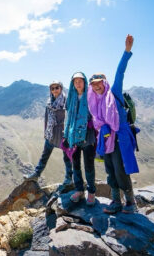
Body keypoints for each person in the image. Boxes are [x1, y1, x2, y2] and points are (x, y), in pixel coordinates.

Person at [88, 34, 139, 214]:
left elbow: (120, 72)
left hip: (119, 138)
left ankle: (131, 202)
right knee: (110, 170)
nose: (96, 87)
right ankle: (116, 201)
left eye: (99, 83)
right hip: (106, 139)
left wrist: (126, 51)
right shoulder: (94, 100)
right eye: (93, 84)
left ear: (104, 83)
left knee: (121, 169)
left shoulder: (114, 91)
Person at [25, 81, 73, 185]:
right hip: (51, 135)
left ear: (61, 88)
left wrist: (69, 133)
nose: (55, 90)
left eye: (57, 88)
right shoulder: (49, 102)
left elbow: (70, 117)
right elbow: (47, 119)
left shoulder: (67, 102)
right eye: (52, 88)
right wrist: (46, 133)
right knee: (44, 156)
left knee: (67, 158)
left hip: (63, 135)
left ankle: (69, 178)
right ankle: (36, 174)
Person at [63, 72, 97, 206]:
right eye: (75, 81)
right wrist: (66, 136)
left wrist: (90, 122)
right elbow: (69, 118)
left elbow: (95, 113)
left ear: (85, 82)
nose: (78, 83)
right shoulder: (71, 98)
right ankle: (79, 190)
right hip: (73, 137)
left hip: (87, 137)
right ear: (72, 84)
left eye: (80, 80)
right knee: (75, 165)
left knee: (89, 166)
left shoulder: (90, 96)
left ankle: (92, 192)